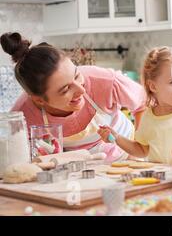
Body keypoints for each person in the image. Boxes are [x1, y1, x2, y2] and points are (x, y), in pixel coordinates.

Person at [0, 32, 147, 162]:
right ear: (39, 99)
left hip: (129, 155)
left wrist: (138, 149)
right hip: (81, 167)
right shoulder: (22, 116)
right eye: (65, 90)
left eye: (77, 76)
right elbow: (14, 156)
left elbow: (143, 104)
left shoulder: (104, 80)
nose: (81, 90)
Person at [98, 45, 172, 165]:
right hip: (163, 178)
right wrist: (117, 138)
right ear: (153, 86)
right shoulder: (148, 117)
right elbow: (141, 150)